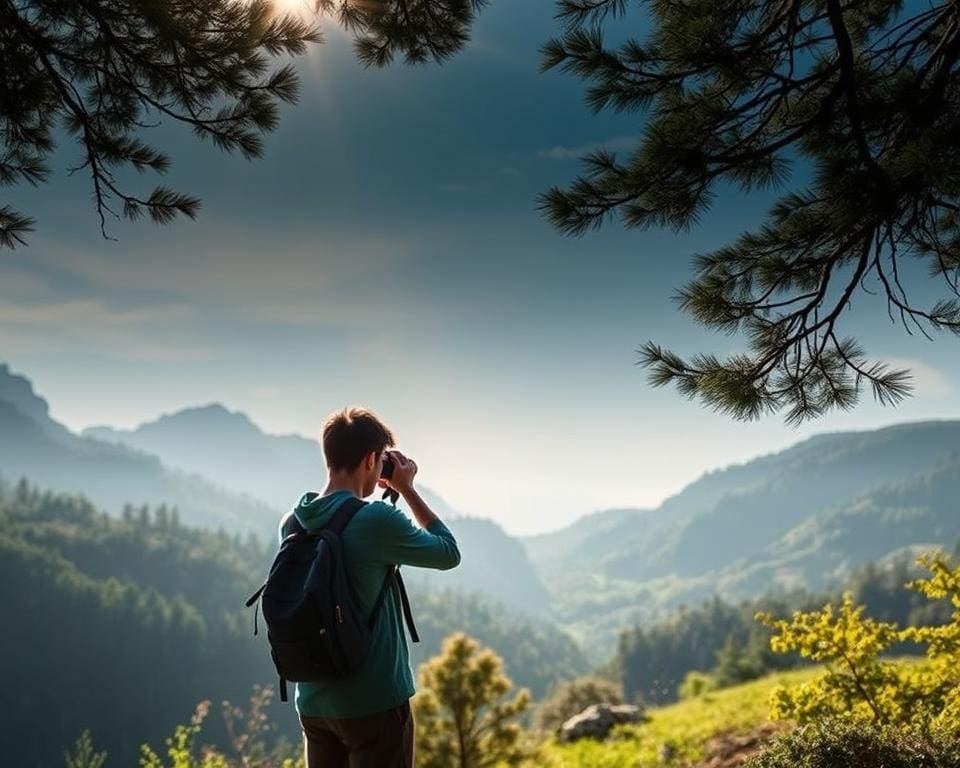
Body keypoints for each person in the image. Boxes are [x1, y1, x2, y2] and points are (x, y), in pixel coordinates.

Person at [279, 406, 461, 768]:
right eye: (380, 463)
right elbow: (447, 552)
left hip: (314, 702)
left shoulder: (294, 522)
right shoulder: (375, 519)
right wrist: (406, 489)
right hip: (374, 701)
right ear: (370, 459)